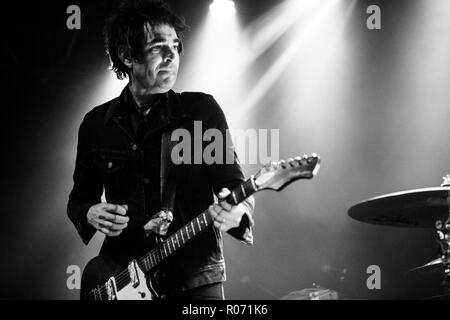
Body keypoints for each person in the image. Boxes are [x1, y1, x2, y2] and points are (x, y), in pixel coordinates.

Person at [67, 0, 255, 300]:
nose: (171, 56)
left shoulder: (201, 111)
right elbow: (79, 198)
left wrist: (239, 212)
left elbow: (232, 183)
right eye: (157, 47)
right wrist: (89, 212)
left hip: (193, 276)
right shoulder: (96, 124)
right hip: (121, 274)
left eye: (176, 46)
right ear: (127, 56)